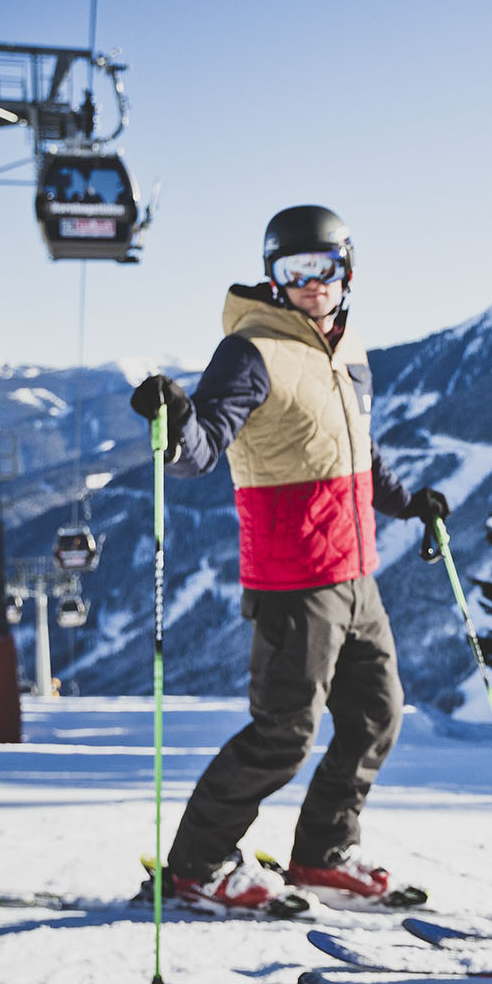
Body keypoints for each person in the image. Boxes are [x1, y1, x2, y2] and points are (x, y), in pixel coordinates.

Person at [129, 204, 451, 913]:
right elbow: (204, 448)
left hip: (356, 570)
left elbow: (354, 448)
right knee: (285, 732)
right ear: (272, 277)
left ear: (347, 271)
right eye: (293, 270)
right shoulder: (251, 350)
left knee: (378, 714)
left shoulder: (349, 348)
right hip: (294, 579)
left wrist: (406, 502)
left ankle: (324, 850)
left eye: (323, 268)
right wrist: (175, 425)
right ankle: (199, 864)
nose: (310, 284)